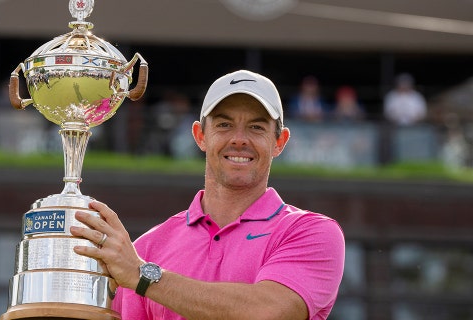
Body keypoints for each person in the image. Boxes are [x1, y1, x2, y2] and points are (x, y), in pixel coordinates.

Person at [71, 70, 345, 319]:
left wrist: (143, 277)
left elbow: (267, 311)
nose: (239, 139)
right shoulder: (147, 248)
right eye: (224, 125)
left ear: (279, 142)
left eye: (256, 127)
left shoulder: (311, 232)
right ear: (200, 135)